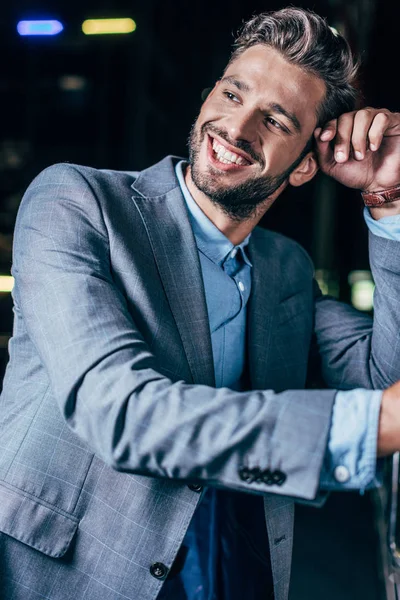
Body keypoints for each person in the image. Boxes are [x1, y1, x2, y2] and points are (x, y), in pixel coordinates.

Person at [1, 6, 400, 600]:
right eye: (233, 93)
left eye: (276, 120)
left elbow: (381, 376)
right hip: (67, 577)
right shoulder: (77, 203)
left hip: (228, 575)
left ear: (304, 168)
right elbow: (122, 413)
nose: (237, 129)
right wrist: (371, 427)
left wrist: (387, 199)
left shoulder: (285, 268)